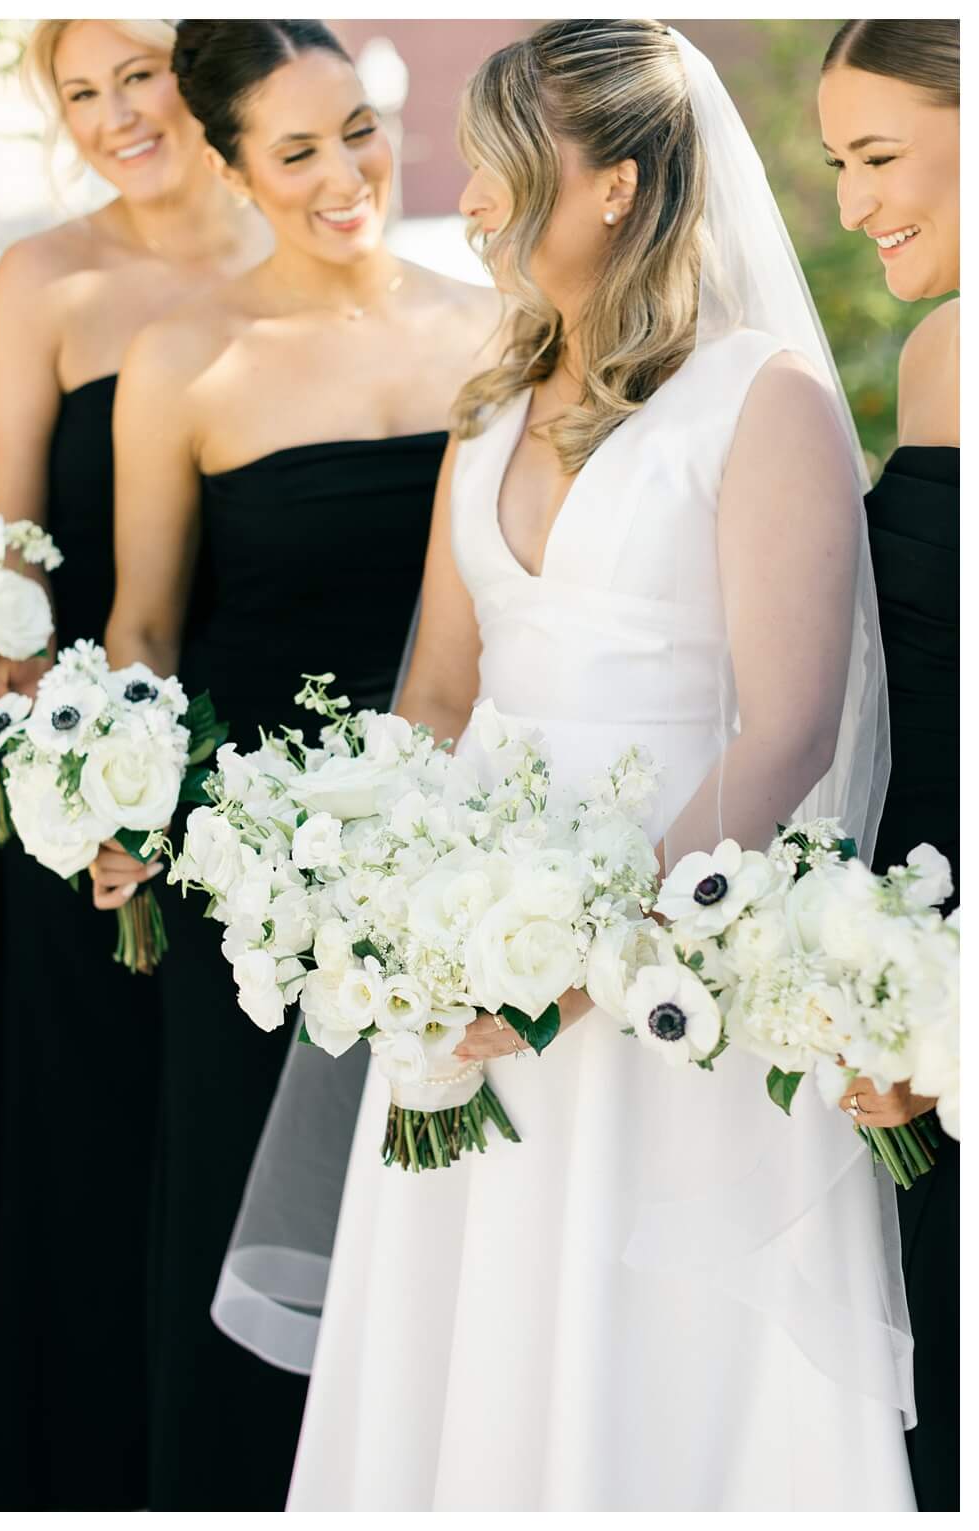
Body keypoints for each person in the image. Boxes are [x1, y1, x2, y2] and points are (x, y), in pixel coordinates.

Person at [286, 22, 911, 1508]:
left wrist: (588, 957)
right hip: (467, 995)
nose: (479, 201)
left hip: (671, 988)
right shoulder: (485, 416)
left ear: (619, 185)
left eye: (508, 166)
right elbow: (439, 696)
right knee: (470, 1362)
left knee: (656, 1383)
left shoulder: (763, 399)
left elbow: (790, 728)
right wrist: (389, 915)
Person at [93, 19, 498, 1509]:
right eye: (299, 150)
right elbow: (142, 625)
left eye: (360, 132)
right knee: (229, 1189)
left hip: (463, 841)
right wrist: (114, 801)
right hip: (248, 867)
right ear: (235, 165)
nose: (346, 176)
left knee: (444, 1187)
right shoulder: (184, 356)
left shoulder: (485, 323)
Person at [0, 19, 270, 1508]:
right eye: (76, 94)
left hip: (291, 786)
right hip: (89, 799)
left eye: (135, 75)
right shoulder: (42, 283)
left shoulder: (307, 235)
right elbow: (3, 561)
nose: (112, 117)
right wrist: (67, 760)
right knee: (101, 1152)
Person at [818, 19, 960, 1510]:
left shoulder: (953, 351)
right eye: (837, 168)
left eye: (879, 156)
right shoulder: (940, 355)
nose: (855, 208)